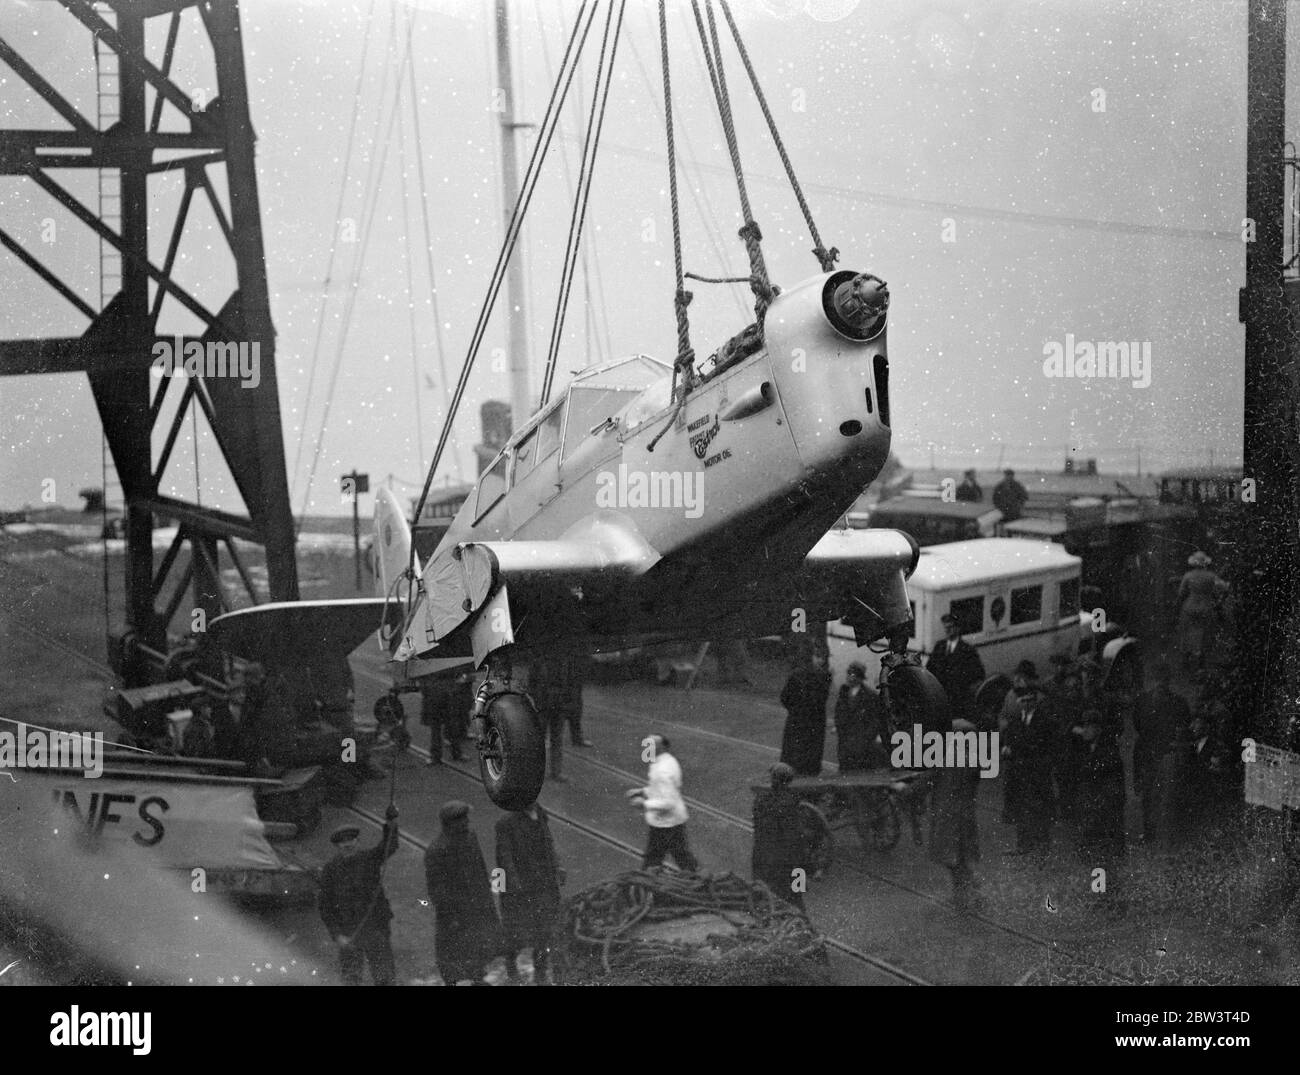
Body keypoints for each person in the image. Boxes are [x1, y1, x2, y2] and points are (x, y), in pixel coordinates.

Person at [318, 804, 400, 986]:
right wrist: (337, 935)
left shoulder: (370, 859)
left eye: (351, 840)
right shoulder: (330, 871)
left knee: (384, 976)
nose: (348, 844)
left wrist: (391, 823)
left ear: (357, 841)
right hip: (349, 931)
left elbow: (390, 845)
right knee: (351, 979)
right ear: (337, 846)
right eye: (343, 842)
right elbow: (325, 907)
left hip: (375, 927)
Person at [424, 801, 502, 986]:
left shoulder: (470, 837)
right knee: (454, 959)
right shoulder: (437, 850)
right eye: (462, 819)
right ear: (450, 823)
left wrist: (487, 902)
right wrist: (451, 917)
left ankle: (477, 978)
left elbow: (481, 870)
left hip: (476, 907)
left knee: (478, 952)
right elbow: (437, 890)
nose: (467, 822)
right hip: (455, 914)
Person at [929, 703, 993, 912]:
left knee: (955, 860)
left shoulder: (950, 758)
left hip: (950, 817)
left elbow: (928, 779)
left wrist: (906, 789)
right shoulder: (972, 759)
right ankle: (970, 894)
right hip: (963, 816)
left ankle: (970, 895)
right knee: (961, 859)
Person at [495, 801, 566, 984]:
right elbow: (504, 857)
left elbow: (548, 843)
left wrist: (558, 866)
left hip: (544, 884)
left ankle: (540, 971)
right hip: (520, 889)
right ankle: (511, 966)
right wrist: (514, 883)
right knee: (516, 932)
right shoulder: (506, 822)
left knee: (546, 930)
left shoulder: (540, 815)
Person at [1000, 676, 1061, 854]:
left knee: (1039, 808)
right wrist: (1006, 748)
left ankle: (1042, 845)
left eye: (1029, 700)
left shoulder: (1044, 721)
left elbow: (1043, 745)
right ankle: (1023, 844)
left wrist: (1016, 748)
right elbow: (1009, 740)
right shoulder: (1016, 722)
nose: (1026, 704)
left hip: (1037, 771)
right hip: (1019, 772)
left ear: (1035, 700)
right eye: (1023, 701)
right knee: (1021, 807)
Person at [1132, 660, 1190, 845]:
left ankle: (1169, 836)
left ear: (1168, 681)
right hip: (1148, 754)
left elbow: (1184, 728)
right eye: (1157, 679)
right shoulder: (1142, 701)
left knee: (1168, 796)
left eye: (1163, 680)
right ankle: (1149, 833)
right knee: (1148, 796)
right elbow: (1138, 727)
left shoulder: (1179, 703)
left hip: (1168, 754)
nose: (1160, 683)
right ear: (1151, 680)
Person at [628, 735, 699, 871]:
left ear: (661, 748)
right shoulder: (668, 761)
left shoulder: (663, 771)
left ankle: (647, 879)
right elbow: (661, 789)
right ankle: (696, 877)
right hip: (670, 821)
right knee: (679, 857)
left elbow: (668, 802)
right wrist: (643, 791)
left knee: (657, 859)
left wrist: (644, 804)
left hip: (666, 823)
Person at [751, 762, 807, 913]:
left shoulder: (761, 800)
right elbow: (796, 835)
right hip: (789, 858)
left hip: (765, 855)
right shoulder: (793, 802)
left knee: (765, 893)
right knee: (796, 896)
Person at [779, 648, 832, 776]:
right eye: (818, 657)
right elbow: (785, 697)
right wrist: (796, 710)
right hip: (800, 719)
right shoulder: (798, 674)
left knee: (810, 754)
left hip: (814, 721)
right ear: (812, 657)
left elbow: (822, 699)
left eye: (823, 658)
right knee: (795, 751)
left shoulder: (825, 676)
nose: (820, 661)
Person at [926, 613, 986, 722]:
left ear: (958, 628)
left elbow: (979, 674)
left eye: (950, 627)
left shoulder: (967, 650)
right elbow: (929, 669)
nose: (947, 630)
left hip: (959, 699)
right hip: (940, 696)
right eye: (945, 627)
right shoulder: (939, 646)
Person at [833, 662, 888, 771]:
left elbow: (875, 720)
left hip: (862, 746)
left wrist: (866, 739)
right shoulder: (843, 692)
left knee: (860, 773)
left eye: (853, 675)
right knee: (844, 771)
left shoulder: (870, 696)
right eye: (849, 674)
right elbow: (838, 714)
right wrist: (840, 729)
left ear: (860, 678)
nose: (850, 677)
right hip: (845, 744)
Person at [1177, 551, 1224, 673]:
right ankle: (1201, 664)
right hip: (1206, 607)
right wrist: (1217, 600)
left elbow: (1181, 593)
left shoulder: (1188, 575)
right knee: (1204, 635)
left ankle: (1185, 661)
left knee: (1187, 633)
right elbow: (1222, 588)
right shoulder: (1211, 576)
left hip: (1189, 607)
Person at [526, 657, 570, 783]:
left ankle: (556, 772)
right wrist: (536, 699)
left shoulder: (563, 660)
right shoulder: (539, 660)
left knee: (557, 739)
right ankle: (536, 771)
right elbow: (531, 683)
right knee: (539, 739)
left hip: (558, 705)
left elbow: (569, 683)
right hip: (543, 705)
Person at [419, 676, 469, 766]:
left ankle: (438, 756)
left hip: (440, 698)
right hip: (439, 698)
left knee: (444, 729)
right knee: (443, 729)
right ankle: (452, 754)